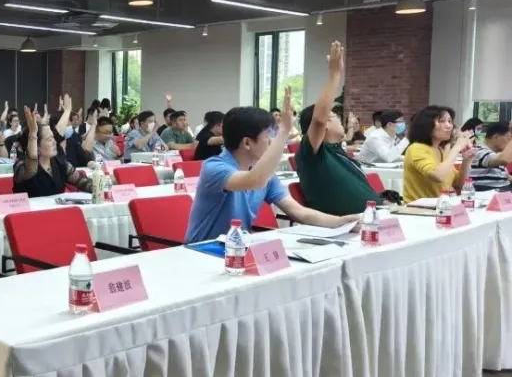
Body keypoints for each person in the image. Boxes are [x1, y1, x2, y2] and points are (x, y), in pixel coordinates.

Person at [186, 89, 360, 242]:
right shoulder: (214, 168)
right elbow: (253, 181)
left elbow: (298, 212)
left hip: (236, 248)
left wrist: (341, 222)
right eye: (267, 137)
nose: (271, 142)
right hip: (201, 251)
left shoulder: (264, 174)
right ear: (247, 143)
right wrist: (284, 131)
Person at [295, 42, 382, 215]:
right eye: (335, 116)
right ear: (326, 123)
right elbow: (318, 120)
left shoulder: (336, 150)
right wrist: (335, 75)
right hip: (342, 225)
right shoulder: (312, 154)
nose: (341, 120)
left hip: (374, 216)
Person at [13, 106, 93, 198]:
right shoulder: (21, 166)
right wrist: (33, 133)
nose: (54, 142)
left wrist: (99, 186)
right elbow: (31, 169)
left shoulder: (61, 164)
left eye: (53, 138)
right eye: (49, 139)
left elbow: (83, 183)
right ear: (37, 147)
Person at [402, 105, 474, 203]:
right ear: (426, 125)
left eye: (450, 121)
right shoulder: (416, 148)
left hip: (442, 205)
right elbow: (438, 176)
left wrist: (467, 161)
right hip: (419, 208)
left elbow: (458, 184)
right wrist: (457, 147)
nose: (449, 126)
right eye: (442, 121)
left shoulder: (441, 149)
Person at [467, 121, 512, 191]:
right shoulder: (480, 152)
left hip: (504, 193)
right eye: (509, 138)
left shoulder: (497, 155)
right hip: (489, 194)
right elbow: (504, 159)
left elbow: (507, 178)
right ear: (496, 137)